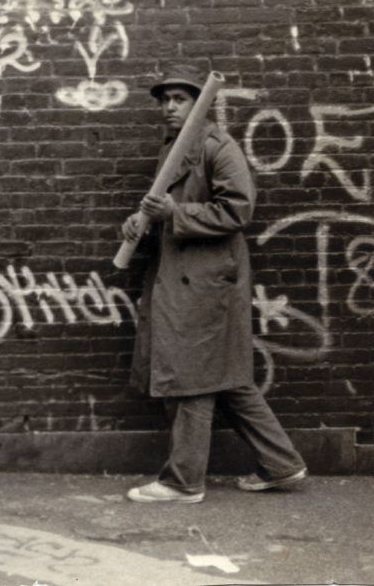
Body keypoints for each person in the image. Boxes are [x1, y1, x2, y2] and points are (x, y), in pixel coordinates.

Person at [122, 63, 307, 504]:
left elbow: (238, 210)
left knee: (190, 374)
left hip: (207, 281)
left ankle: (182, 482)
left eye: (179, 99)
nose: (169, 107)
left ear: (199, 104)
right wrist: (141, 222)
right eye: (165, 100)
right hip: (188, 276)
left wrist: (175, 214)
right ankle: (282, 463)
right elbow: (171, 205)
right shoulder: (174, 147)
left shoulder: (217, 146)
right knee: (226, 378)